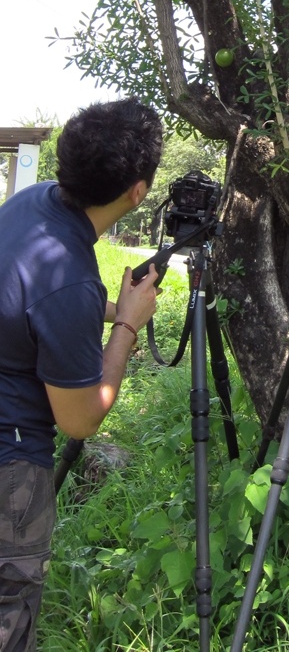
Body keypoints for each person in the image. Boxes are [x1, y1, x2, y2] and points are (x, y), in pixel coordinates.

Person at [0, 98, 162, 651]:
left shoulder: (31, 202)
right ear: (137, 192)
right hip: (10, 467)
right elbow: (80, 419)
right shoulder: (68, 279)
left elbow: (29, 305)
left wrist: (108, 307)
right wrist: (130, 327)